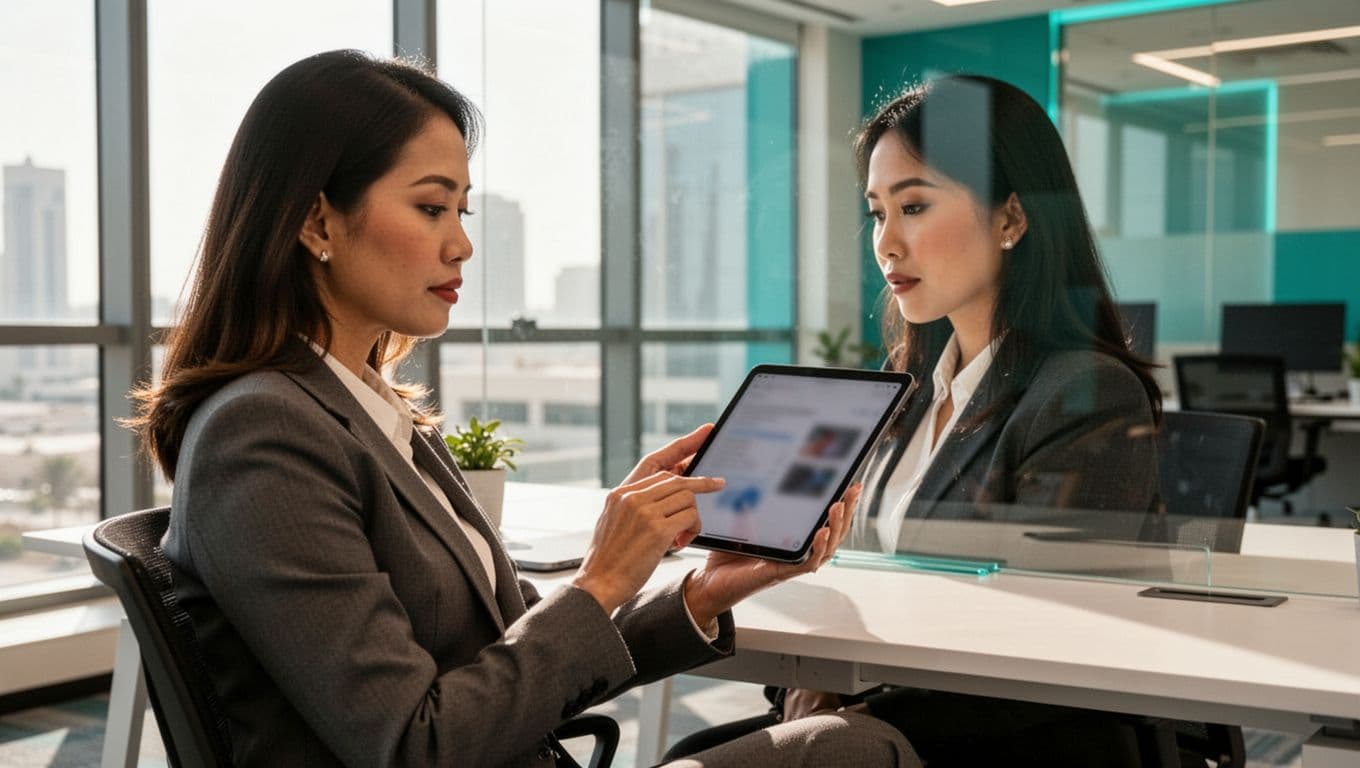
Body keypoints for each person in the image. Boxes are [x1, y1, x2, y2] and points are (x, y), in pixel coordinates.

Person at [127, 50, 918, 768]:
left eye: (463, 212)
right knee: (856, 748)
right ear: (315, 220)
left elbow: (513, 655)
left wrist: (700, 593)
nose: (462, 245)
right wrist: (602, 578)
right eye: (432, 208)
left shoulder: (369, 412)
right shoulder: (262, 435)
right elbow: (415, 746)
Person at [665, 74, 1162, 766]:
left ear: (1012, 219)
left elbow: (1047, 646)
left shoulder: (1085, 393)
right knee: (693, 748)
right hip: (881, 719)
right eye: (876, 214)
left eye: (916, 206)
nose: (887, 243)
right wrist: (809, 689)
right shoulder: (905, 399)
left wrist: (850, 704)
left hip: (1008, 743)